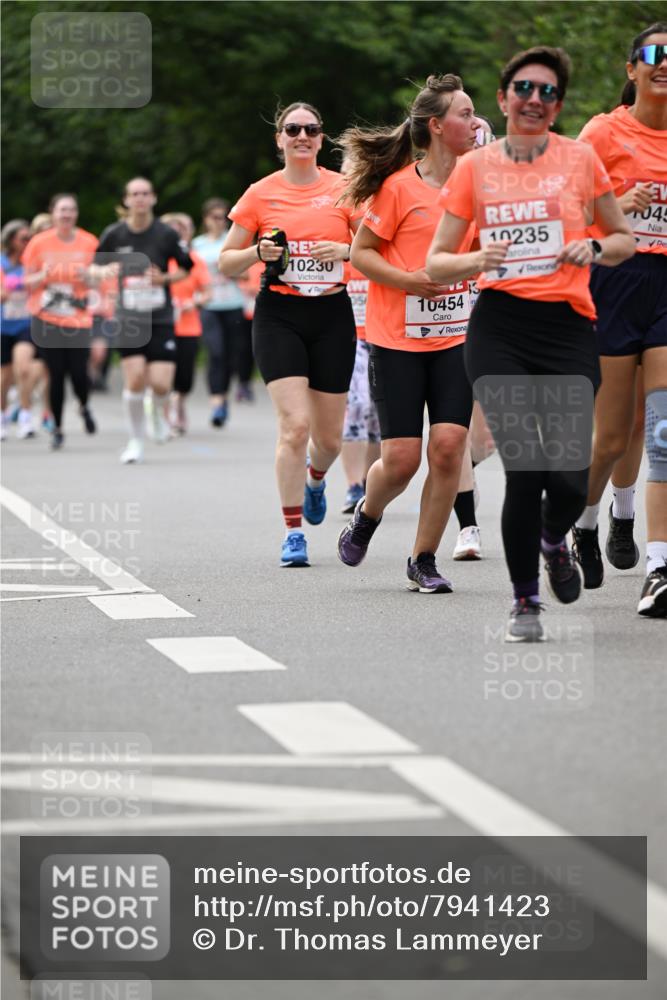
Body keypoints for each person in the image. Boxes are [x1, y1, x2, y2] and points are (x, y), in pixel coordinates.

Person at [427, 46, 635, 640]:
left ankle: (554, 538)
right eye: (524, 88)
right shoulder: (475, 168)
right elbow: (437, 261)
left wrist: (593, 248)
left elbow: (623, 239)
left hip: (568, 326)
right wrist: (476, 257)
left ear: (558, 104)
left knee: (569, 476)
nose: (534, 99)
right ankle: (525, 600)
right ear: (503, 97)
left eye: (547, 92)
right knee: (525, 467)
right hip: (500, 329)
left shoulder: (581, 160)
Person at [336, 74, 477, 593]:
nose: (474, 121)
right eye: (465, 113)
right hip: (397, 339)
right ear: (438, 126)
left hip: (458, 338)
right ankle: (368, 515)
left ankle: (423, 559)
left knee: (447, 446)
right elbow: (362, 253)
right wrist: (412, 281)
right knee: (399, 460)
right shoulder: (399, 188)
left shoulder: (479, 183)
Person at [220, 101, 358, 567]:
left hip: (333, 314)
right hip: (279, 314)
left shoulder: (345, 189)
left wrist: (344, 248)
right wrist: (257, 250)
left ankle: (316, 479)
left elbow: (380, 247)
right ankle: (293, 531)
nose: (302, 135)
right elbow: (225, 260)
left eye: (311, 129)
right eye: (292, 129)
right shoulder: (261, 193)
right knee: (294, 426)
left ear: (322, 139)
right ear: (279, 139)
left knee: (331, 439)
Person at [572, 23, 667, 617]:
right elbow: (567, 210)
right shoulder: (603, 132)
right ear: (631, 68)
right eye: (655, 54)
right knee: (610, 437)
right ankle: (582, 520)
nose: (666, 64)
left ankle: (659, 567)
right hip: (614, 284)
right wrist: (613, 210)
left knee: (660, 431)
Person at [96, 177, 194, 463]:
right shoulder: (114, 234)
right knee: (136, 379)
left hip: (160, 317)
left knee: (162, 385)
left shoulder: (165, 234)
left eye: (145, 193)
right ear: (126, 200)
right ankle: (136, 442)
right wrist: (103, 272)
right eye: (134, 194)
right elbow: (94, 268)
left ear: (153, 198)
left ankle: (158, 411)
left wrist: (164, 277)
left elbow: (186, 269)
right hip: (128, 317)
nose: (140, 198)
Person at [22, 194, 99, 450]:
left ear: (76, 214)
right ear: (53, 213)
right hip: (47, 318)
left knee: (79, 373)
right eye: (62, 210)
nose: (67, 214)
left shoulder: (89, 242)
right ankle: (57, 427)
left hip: (78, 318)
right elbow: (26, 282)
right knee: (55, 375)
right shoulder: (38, 243)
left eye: (71, 210)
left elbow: (100, 279)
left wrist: (89, 276)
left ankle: (84, 405)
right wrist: (42, 276)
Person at [192, 199, 247, 426]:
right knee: (215, 353)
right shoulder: (197, 245)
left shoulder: (232, 242)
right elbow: (190, 276)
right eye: (215, 217)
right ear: (206, 220)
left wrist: (229, 269)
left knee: (231, 356)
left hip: (233, 304)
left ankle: (223, 397)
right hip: (209, 306)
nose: (220, 222)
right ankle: (216, 402)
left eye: (224, 217)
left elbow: (246, 274)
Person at [161, 212, 211, 433]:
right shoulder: (157, 258)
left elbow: (207, 292)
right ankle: (167, 412)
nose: (177, 234)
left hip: (188, 324)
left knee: (185, 374)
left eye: (181, 230)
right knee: (162, 372)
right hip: (161, 323)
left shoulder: (193, 260)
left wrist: (194, 302)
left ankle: (180, 403)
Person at [339, 259, 381, 513]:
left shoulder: (383, 246)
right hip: (349, 339)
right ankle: (353, 485)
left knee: (377, 414)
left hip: (382, 336)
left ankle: (368, 483)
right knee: (356, 405)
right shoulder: (335, 242)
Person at [1, 219, 37, 440]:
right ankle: (3, 415)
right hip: (4, 324)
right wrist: (24, 282)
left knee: (23, 369)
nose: (27, 242)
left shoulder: (32, 262)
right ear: (11, 239)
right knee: (4, 377)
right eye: (24, 238)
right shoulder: (2, 262)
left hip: (26, 323)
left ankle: (25, 414)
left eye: (29, 238)